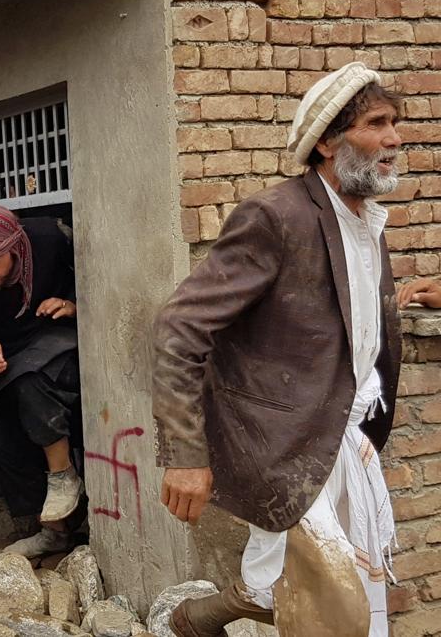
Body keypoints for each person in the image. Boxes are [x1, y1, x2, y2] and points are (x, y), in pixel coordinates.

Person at [155, 63, 403, 637]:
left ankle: (213, 613)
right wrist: (186, 455)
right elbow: (178, 328)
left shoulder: (367, 219)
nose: (394, 138)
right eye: (376, 123)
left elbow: (338, 309)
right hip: (287, 443)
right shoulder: (277, 215)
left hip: (346, 437)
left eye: (395, 123)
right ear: (325, 141)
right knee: (335, 607)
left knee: (340, 592)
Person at [0, 204, 84, 541]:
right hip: (5, 350)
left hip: (53, 332)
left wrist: (71, 304)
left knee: (30, 383)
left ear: (16, 245)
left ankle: (63, 474)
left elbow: (91, 277)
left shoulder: (50, 239)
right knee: (2, 433)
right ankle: (53, 531)